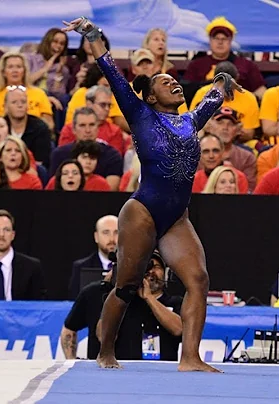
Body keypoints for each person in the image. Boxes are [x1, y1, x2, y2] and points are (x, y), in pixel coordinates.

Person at [63, 16, 241, 372]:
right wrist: (92, 34)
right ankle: (105, 350)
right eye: (164, 81)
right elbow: (110, 69)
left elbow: (216, 93)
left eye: (174, 80)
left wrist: (223, 79)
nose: (173, 83)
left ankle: (190, 357)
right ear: (148, 95)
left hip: (176, 217)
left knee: (198, 280)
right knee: (127, 286)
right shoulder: (139, 112)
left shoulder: (191, 120)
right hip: (142, 211)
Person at [61, 251, 183, 361]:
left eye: (156, 267)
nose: (151, 272)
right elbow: (102, 336)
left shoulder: (175, 301)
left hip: (160, 377)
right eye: (145, 268)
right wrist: (113, 289)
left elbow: (179, 329)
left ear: (166, 273)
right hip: (112, 374)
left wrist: (149, 298)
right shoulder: (97, 295)